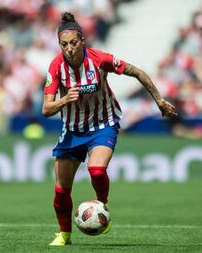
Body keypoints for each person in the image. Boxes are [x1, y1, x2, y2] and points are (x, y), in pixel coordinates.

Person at [42, 12, 177, 246]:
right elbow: (46, 109)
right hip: (73, 129)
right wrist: (64, 100)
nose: (69, 49)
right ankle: (64, 235)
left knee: (96, 170)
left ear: (83, 40)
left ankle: (102, 205)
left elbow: (137, 72)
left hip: (103, 123)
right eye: (64, 45)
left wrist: (159, 100)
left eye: (73, 43)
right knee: (61, 190)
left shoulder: (99, 59)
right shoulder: (56, 67)